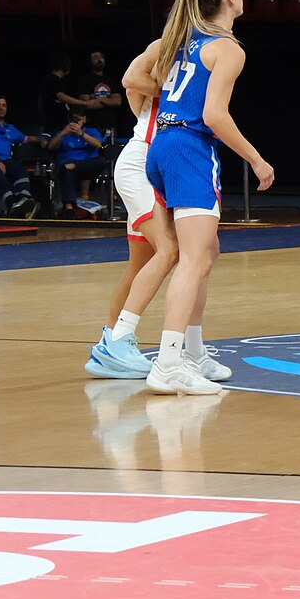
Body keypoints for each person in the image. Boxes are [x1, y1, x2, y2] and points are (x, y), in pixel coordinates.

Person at [141, 0, 275, 396]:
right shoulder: (227, 48)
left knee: (205, 253)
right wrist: (256, 159)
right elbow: (216, 116)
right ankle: (167, 363)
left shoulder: (180, 39)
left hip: (162, 142)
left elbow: (131, 79)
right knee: (193, 260)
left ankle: (194, 352)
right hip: (188, 148)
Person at [83, 80, 179, 381]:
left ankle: (110, 342)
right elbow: (129, 81)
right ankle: (118, 340)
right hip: (140, 164)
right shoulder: (165, 55)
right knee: (169, 251)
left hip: (158, 169)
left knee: (138, 266)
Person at [50, 114, 111, 216]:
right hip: (67, 164)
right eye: (74, 120)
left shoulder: (91, 132)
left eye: (79, 119)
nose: (76, 122)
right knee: (68, 172)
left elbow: (98, 145)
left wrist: (81, 134)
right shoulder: (63, 132)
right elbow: (51, 147)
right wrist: (63, 133)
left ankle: (73, 166)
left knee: (101, 161)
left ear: (84, 119)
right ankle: (69, 208)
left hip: (88, 165)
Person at [39, 52, 92, 132]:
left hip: (58, 123)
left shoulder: (55, 80)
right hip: (53, 125)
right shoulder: (52, 79)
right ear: (66, 66)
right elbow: (61, 96)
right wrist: (83, 103)